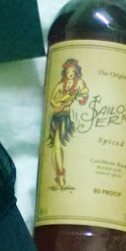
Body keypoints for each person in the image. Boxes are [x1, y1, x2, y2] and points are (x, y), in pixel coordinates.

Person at [45, 57, 89, 189]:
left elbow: (84, 97)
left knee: (57, 144)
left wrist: (77, 98)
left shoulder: (79, 83)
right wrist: (60, 102)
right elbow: (52, 100)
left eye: (73, 70)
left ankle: (61, 176)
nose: (70, 73)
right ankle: (59, 175)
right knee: (55, 147)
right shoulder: (61, 84)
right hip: (56, 116)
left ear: (76, 71)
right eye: (68, 71)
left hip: (65, 117)